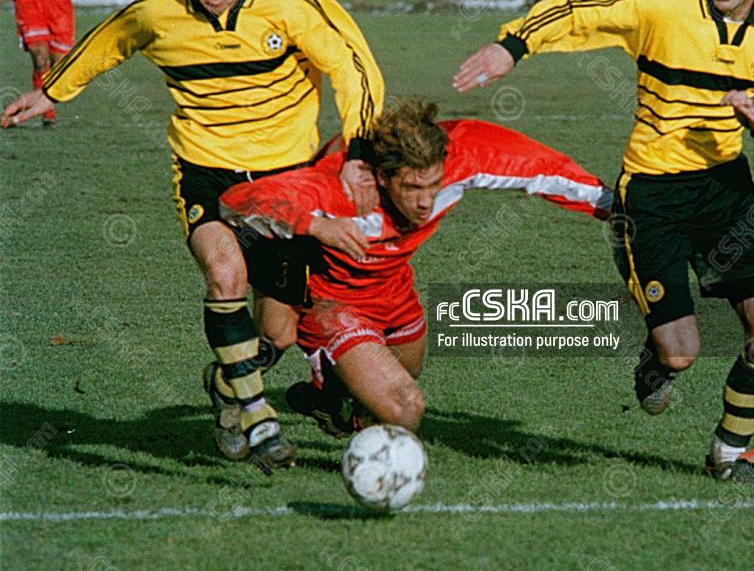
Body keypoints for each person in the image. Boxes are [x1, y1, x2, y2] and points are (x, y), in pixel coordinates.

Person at [452, 0, 754, 483]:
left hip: (725, 192)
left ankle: (728, 456)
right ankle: (658, 355)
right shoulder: (664, 9)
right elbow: (580, 12)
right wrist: (512, 45)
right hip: (653, 194)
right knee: (681, 351)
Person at [1, 0, 384, 471]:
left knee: (278, 334)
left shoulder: (291, 1)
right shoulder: (158, 14)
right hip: (207, 173)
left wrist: (358, 151)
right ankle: (258, 417)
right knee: (224, 273)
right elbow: (107, 42)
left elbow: (354, 69)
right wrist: (50, 91)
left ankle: (227, 384)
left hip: (288, 179)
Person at [219, 98, 612, 436]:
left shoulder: (461, 157)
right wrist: (315, 225)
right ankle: (248, 390)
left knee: (401, 376)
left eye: (433, 186)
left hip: (393, 293)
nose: (426, 202)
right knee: (404, 407)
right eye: (411, 189)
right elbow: (237, 202)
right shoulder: (340, 187)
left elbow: (547, 170)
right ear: (382, 177)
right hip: (330, 301)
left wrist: (623, 210)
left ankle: (328, 399)